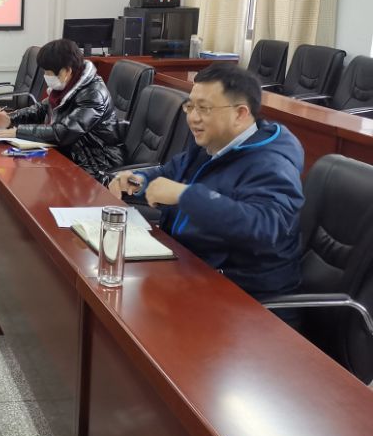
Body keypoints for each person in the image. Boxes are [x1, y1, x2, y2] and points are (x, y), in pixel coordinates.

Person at [109, 63, 305, 302]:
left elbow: (266, 227)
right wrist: (141, 180)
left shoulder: (272, 163)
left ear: (240, 114)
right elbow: (171, 172)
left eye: (204, 108)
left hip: (242, 294)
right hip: (189, 265)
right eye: (190, 106)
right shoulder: (212, 143)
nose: (193, 117)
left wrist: (185, 195)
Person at [0, 38, 124, 182]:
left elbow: (64, 131)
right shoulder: (67, 86)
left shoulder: (93, 95)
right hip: (72, 153)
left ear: (67, 71)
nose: (46, 76)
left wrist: (18, 131)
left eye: (49, 72)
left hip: (97, 163)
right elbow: (41, 109)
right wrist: (11, 119)